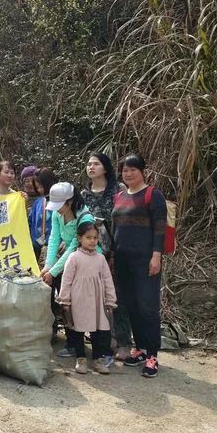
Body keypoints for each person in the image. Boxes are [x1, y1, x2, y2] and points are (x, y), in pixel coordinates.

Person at [111, 154, 167, 378]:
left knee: (148, 306)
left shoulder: (153, 195)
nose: (129, 173)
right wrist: (113, 255)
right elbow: (115, 229)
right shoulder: (119, 197)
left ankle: (152, 354)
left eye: (133, 169)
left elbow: (160, 228)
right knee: (130, 305)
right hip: (122, 260)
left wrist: (156, 256)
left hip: (144, 260)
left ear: (143, 171)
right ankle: (140, 349)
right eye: (125, 170)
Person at [81, 151, 130, 361]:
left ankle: (124, 342)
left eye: (96, 164)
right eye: (89, 164)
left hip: (118, 249)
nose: (91, 167)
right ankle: (104, 339)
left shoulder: (118, 190)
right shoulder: (84, 194)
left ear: (105, 167)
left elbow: (126, 219)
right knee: (97, 295)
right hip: (93, 251)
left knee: (117, 295)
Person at [39, 182, 96, 358]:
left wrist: (53, 272)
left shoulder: (84, 217)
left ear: (70, 201)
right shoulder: (57, 214)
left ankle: (76, 344)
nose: (58, 210)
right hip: (65, 262)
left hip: (83, 262)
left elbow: (73, 246)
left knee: (74, 303)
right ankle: (62, 336)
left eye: (61, 205)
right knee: (60, 299)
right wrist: (48, 266)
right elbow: (54, 238)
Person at [58, 222, 118, 375]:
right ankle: (81, 359)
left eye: (95, 238)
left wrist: (110, 299)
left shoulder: (100, 259)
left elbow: (107, 279)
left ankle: (98, 359)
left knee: (98, 331)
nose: (92, 241)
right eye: (88, 237)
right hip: (79, 299)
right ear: (79, 238)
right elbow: (66, 280)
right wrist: (64, 300)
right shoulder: (74, 257)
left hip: (97, 301)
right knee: (78, 329)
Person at [28, 167, 57, 260]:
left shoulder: (59, 201)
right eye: (37, 187)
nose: (40, 190)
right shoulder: (38, 202)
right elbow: (30, 221)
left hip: (54, 245)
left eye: (41, 187)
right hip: (36, 245)